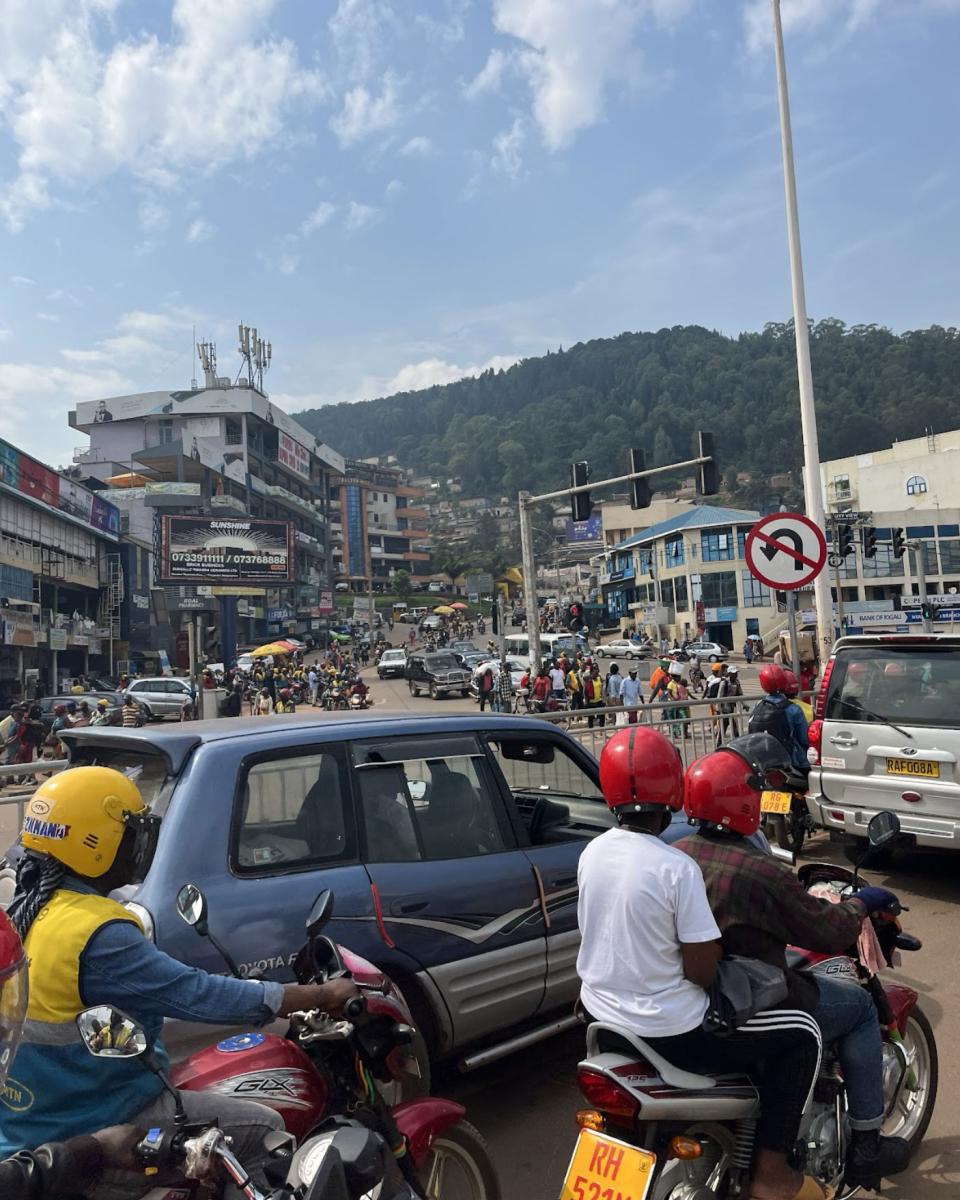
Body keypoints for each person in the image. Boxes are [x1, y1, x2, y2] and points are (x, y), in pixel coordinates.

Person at [0, 768, 357, 1197]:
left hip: (25, 1124)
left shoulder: (24, 910)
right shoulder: (97, 933)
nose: (138, 843)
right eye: (130, 832)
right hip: (101, 1121)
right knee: (267, 1129)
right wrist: (317, 994)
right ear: (94, 843)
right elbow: (196, 994)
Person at [577, 728, 824, 1200]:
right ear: (673, 789)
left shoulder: (594, 853)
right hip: (671, 1032)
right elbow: (701, 972)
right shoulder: (673, 867)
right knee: (803, 1033)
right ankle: (772, 1175)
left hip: (602, 1020)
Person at [679, 747, 912, 1189]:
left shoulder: (678, 854)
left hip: (697, 996)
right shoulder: (760, 870)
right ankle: (867, 1144)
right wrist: (861, 903)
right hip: (753, 997)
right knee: (860, 1008)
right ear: (744, 802)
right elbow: (825, 932)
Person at [748, 664, 809, 772]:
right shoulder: (793, 709)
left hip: (764, 761)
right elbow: (804, 739)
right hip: (793, 761)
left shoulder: (758, 705)